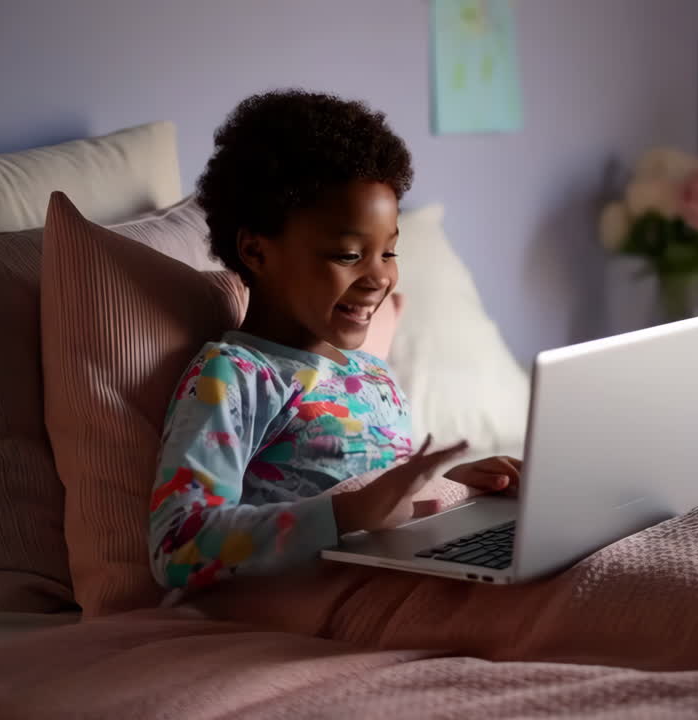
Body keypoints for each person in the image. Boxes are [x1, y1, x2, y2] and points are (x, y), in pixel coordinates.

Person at [148, 89, 521, 592]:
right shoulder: (234, 375)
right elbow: (177, 546)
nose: (379, 279)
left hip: (398, 576)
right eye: (349, 256)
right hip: (322, 600)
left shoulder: (372, 375)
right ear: (256, 250)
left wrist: (453, 487)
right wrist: (347, 513)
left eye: (389, 253)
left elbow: (386, 505)